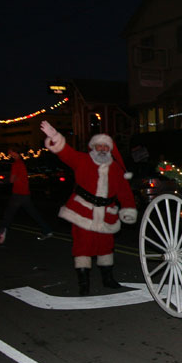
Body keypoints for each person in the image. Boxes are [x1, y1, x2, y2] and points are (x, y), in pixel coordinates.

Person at [40, 121, 137, 295]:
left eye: (105, 146)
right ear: (93, 147)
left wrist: (128, 209)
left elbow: (125, 192)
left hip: (107, 214)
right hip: (82, 211)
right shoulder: (82, 160)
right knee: (82, 247)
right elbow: (65, 153)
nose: (101, 149)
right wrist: (54, 136)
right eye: (98, 145)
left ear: (110, 149)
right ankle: (83, 283)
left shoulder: (116, 169)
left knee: (106, 246)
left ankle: (107, 278)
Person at [0, 145, 54, 241]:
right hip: (24, 192)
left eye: (10, 152)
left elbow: (12, 180)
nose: (9, 154)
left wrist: (5, 180)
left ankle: (1, 233)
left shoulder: (16, 164)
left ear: (15, 152)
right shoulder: (21, 163)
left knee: (8, 214)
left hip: (18, 193)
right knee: (33, 213)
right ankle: (47, 230)